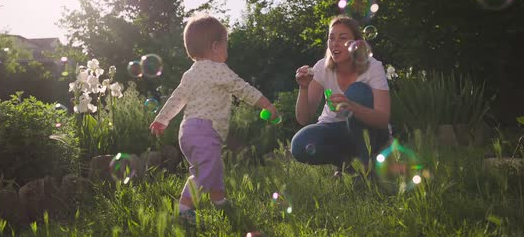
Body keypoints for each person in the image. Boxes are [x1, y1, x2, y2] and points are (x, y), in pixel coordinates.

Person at [149, 14, 279, 224]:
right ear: (216, 46)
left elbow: (177, 98)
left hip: (188, 131)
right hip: (204, 130)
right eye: (226, 45)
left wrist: (162, 119)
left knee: (214, 167)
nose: (227, 51)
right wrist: (267, 105)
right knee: (205, 170)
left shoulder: (190, 74)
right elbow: (243, 89)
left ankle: (219, 202)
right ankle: (184, 210)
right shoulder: (219, 70)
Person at [292, 16, 391, 176]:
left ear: (356, 43)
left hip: (372, 133)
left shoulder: (373, 67)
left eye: (342, 38)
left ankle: (367, 167)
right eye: (331, 38)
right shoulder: (321, 67)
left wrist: (352, 107)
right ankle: (348, 167)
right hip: (337, 131)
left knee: (357, 91)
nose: (335, 43)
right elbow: (303, 119)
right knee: (299, 144)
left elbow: (383, 118)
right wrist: (303, 87)